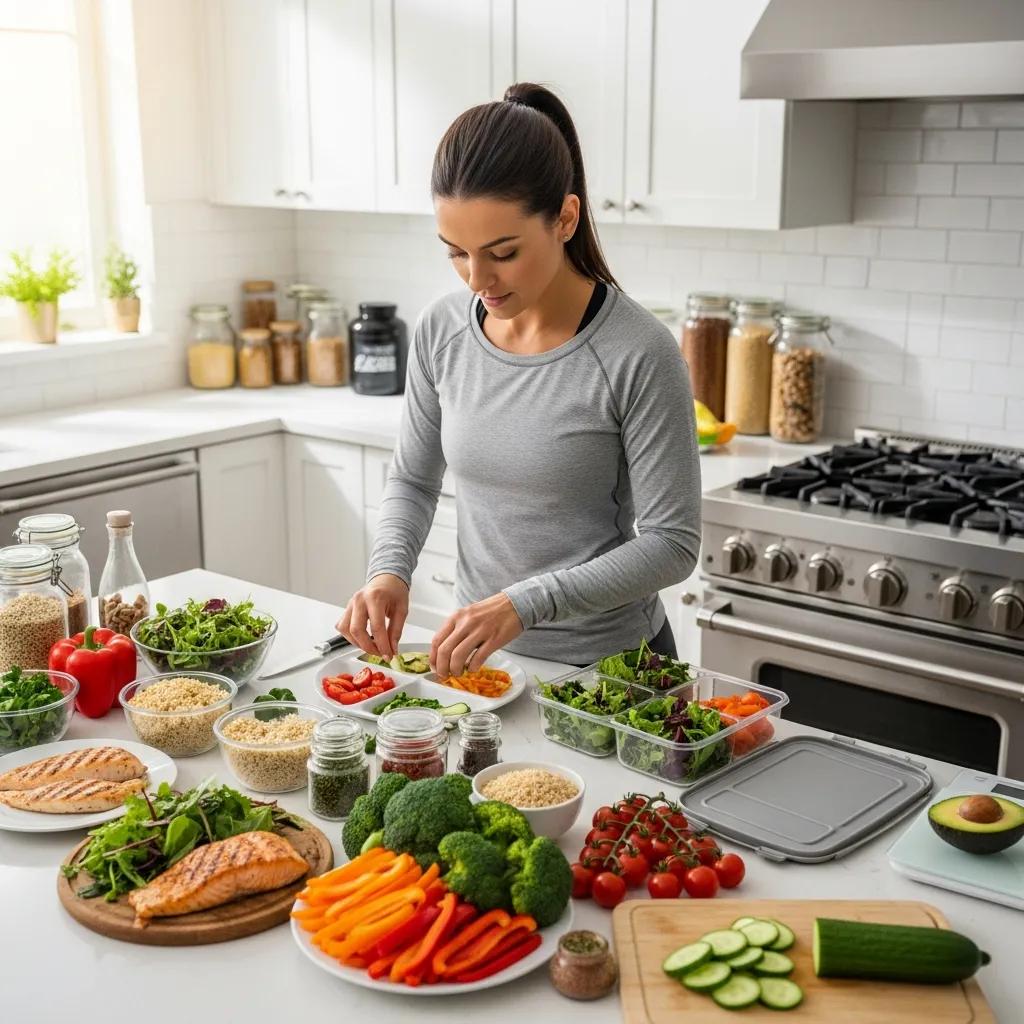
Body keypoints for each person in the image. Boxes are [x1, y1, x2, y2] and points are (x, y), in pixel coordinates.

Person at [337, 82, 701, 679]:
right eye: (456, 252)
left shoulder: (638, 351)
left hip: (612, 671)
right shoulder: (442, 331)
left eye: (502, 252)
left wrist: (524, 605)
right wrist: (389, 571)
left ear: (564, 217)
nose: (477, 278)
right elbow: (412, 477)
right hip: (484, 666)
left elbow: (672, 543)